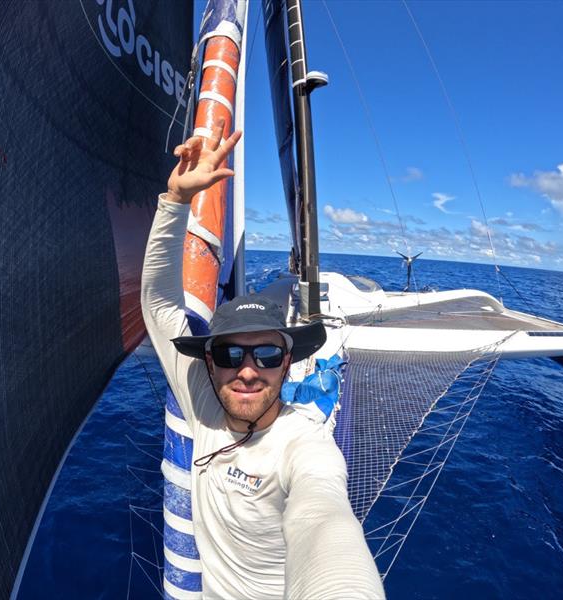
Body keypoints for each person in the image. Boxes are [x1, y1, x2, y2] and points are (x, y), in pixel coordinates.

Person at [141, 123, 384, 599]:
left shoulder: (304, 445)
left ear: (288, 362)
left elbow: (323, 518)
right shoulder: (204, 403)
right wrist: (174, 199)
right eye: (230, 353)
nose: (248, 370)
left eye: (267, 353)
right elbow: (159, 307)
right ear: (209, 363)